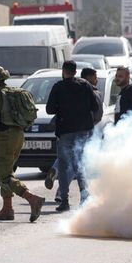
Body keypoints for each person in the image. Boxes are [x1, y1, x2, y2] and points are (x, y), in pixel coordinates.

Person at [0, 65, 45, 222]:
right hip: (18, 135)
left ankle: (32, 199)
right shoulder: (14, 92)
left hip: (5, 137)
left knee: (4, 175)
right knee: (7, 172)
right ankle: (7, 209)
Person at [46, 61, 100, 211]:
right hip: (83, 130)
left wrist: (62, 107)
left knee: (64, 166)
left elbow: (50, 109)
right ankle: (84, 198)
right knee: (80, 164)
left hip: (65, 132)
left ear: (64, 71)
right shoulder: (85, 85)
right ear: (75, 72)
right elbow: (95, 106)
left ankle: (64, 201)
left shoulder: (58, 87)